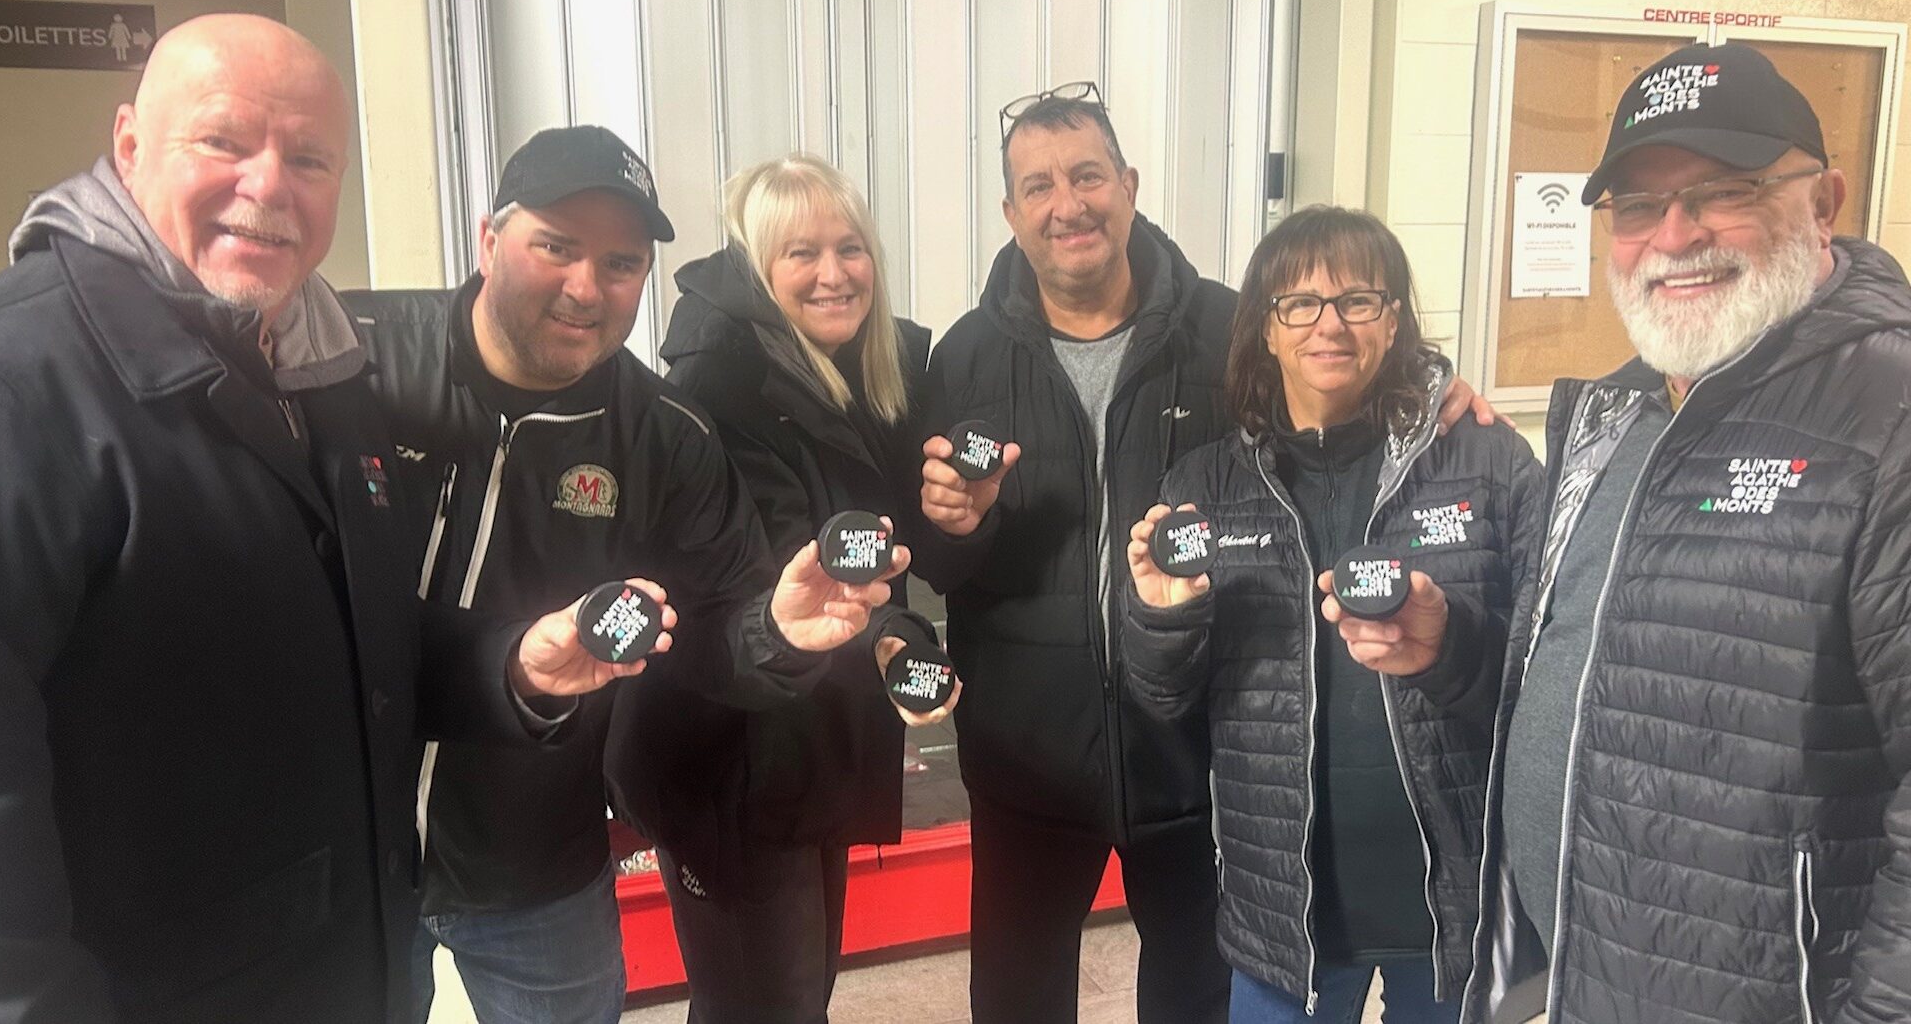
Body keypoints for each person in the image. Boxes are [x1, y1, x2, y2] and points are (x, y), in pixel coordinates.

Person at [0, 16, 675, 1023]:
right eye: (223, 141)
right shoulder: (21, 381)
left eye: (308, 157)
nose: (269, 185)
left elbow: (363, 637)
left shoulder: (320, 370)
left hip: (343, 955)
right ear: (129, 144)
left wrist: (516, 666)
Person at [913, 84, 1500, 1024]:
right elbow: (940, 569)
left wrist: (1437, 389)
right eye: (1039, 185)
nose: (1069, 204)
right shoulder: (967, 356)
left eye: (1089, 175)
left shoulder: (1227, 328)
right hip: (1028, 764)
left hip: (1191, 762)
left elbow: (1336, 371)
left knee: (1194, 1004)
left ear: (1130, 185)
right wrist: (955, 524)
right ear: (1011, 212)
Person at [346, 130, 912, 1024]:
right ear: (488, 237)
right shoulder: (349, 360)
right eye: (556, 246)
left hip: (535, 859)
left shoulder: (665, 434)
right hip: (338, 844)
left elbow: (724, 621)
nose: (586, 287)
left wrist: (781, 632)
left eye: (620, 262)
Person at [1489, 42, 1911, 1024]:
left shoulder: (1887, 418)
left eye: (1724, 191)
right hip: (1573, 977)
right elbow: (1586, 673)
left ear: (1825, 202)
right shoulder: (1614, 413)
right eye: (1636, 206)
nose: (1674, 236)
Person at [1119, 206, 1543, 1023]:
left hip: (1453, 903)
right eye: (1299, 303)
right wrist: (1165, 622)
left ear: (1394, 323)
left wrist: (1448, 648)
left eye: (1359, 299)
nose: (1330, 324)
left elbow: (1543, 675)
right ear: (1266, 330)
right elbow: (1163, 701)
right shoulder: (1205, 486)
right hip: (1287, 910)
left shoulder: (1488, 463)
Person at [655, 152, 954, 1023]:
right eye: (801, 253)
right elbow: (781, 575)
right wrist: (896, 637)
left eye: (850, 247)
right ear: (758, 269)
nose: (834, 274)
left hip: (814, 737)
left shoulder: (866, 376)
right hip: (732, 755)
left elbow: (894, 547)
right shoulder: (721, 387)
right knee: (765, 1003)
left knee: (798, 991)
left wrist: (962, 513)